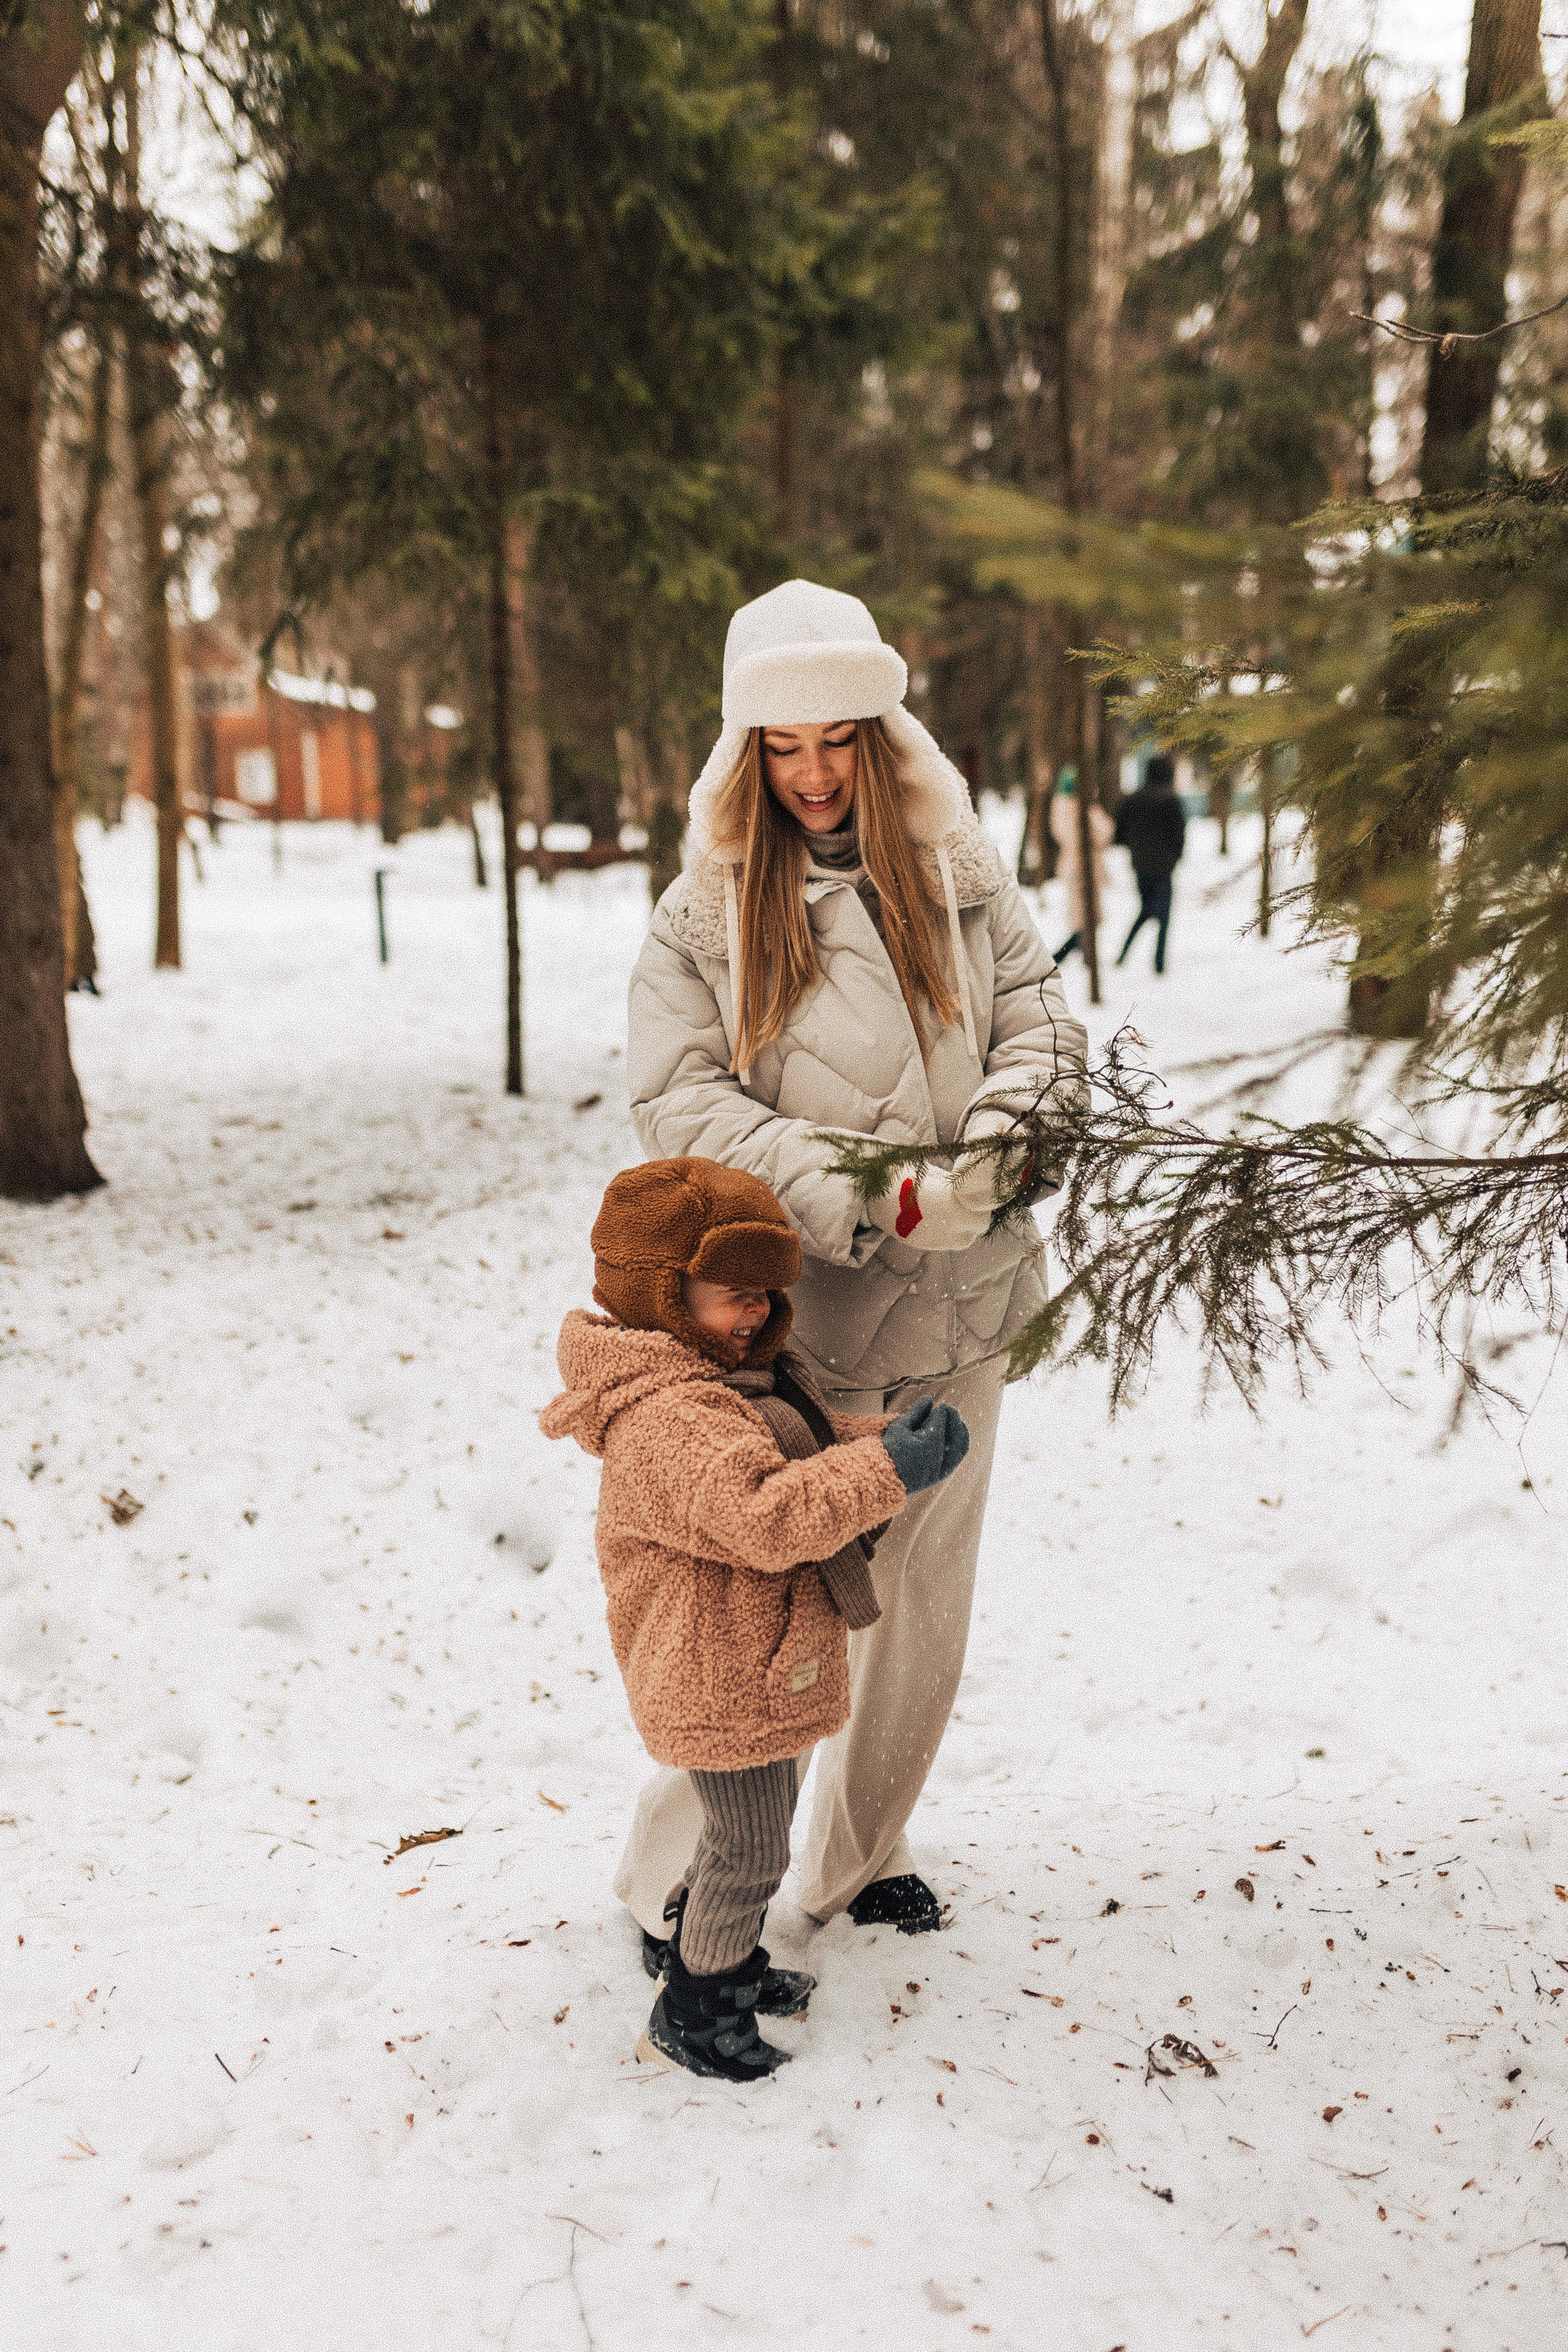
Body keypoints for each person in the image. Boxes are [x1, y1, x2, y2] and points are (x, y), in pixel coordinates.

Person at [618, 577, 1088, 1945]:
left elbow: (1040, 1028)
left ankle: (858, 1853)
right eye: (783, 744)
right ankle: (673, 1882)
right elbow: (679, 1101)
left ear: (879, 734)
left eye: (838, 737)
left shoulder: (957, 870)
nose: (814, 772)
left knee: (923, 1615)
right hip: (813, 1319)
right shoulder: (701, 916)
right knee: (770, 1613)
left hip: (973, 1302)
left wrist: (994, 1163)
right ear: (744, 754)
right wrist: (867, 1193)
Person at [541, 1156, 970, 2081]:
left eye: (766, 1296)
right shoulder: (669, 1419)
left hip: (755, 1658)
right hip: (717, 1672)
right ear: (662, 1294)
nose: (756, 1315)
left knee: (738, 1837)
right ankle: (698, 2009)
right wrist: (889, 1470)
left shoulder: (729, 1385)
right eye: (733, 1296)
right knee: (747, 1848)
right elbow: (767, 1514)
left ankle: (708, 1952)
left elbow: (801, 1450)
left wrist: (886, 1441)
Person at [1114, 752, 1186, 975]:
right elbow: (1180, 835)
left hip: (1141, 866)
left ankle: (1126, 955)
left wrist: (1136, 848)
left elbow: (1119, 834)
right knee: (1161, 915)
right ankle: (1158, 963)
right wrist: (1175, 857)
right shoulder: (1171, 800)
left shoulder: (1133, 799)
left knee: (1146, 910)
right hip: (1164, 867)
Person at [1048, 767, 1114, 966]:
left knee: (1084, 916)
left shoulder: (1062, 807)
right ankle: (1063, 956)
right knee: (1087, 916)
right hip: (1082, 867)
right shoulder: (1080, 808)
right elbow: (1104, 832)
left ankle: (1082, 955)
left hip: (1074, 866)